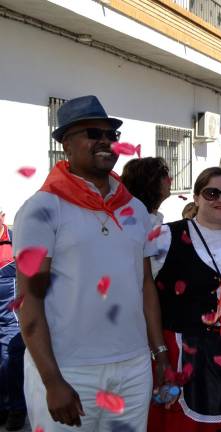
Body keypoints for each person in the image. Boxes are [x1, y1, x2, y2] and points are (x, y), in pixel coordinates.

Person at [13, 95, 169, 431]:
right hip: (69, 369)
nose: (104, 142)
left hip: (132, 368)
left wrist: (158, 352)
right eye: (91, 133)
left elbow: (144, 286)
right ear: (66, 144)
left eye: (110, 135)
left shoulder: (134, 209)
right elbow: (29, 299)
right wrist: (52, 380)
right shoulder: (42, 208)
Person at [148, 167, 221, 432]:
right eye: (211, 193)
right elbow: (139, 289)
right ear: (196, 197)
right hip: (178, 352)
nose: (220, 199)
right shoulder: (164, 236)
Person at [0, 207, 26, 431]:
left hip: (9, 318)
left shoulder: (16, 241)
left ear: (2, 217)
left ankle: (17, 408)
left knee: (10, 359)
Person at [121, 157, 172, 226]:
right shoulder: (140, 226)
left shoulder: (155, 219)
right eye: (164, 176)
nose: (170, 179)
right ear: (151, 184)